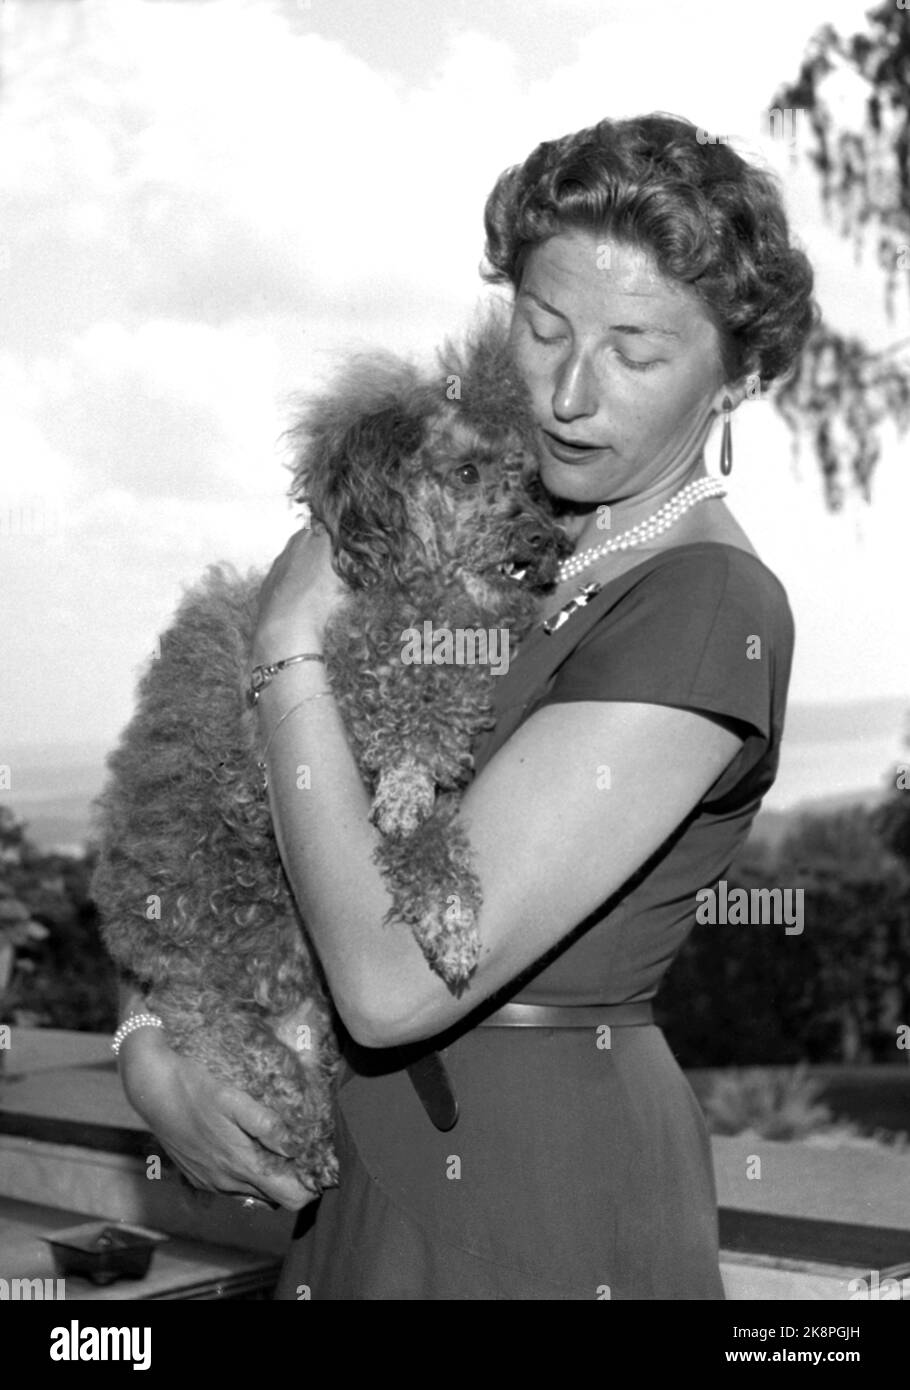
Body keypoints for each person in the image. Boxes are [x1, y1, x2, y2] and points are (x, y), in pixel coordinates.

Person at [116, 113, 815, 1299]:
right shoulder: (482, 520)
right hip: (363, 1173)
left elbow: (391, 987)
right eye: (542, 328)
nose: (568, 393)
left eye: (636, 353)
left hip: (533, 1198)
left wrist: (287, 639)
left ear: (738, 374)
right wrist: (148, 1048)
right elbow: (238, 817)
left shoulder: (704, 606)